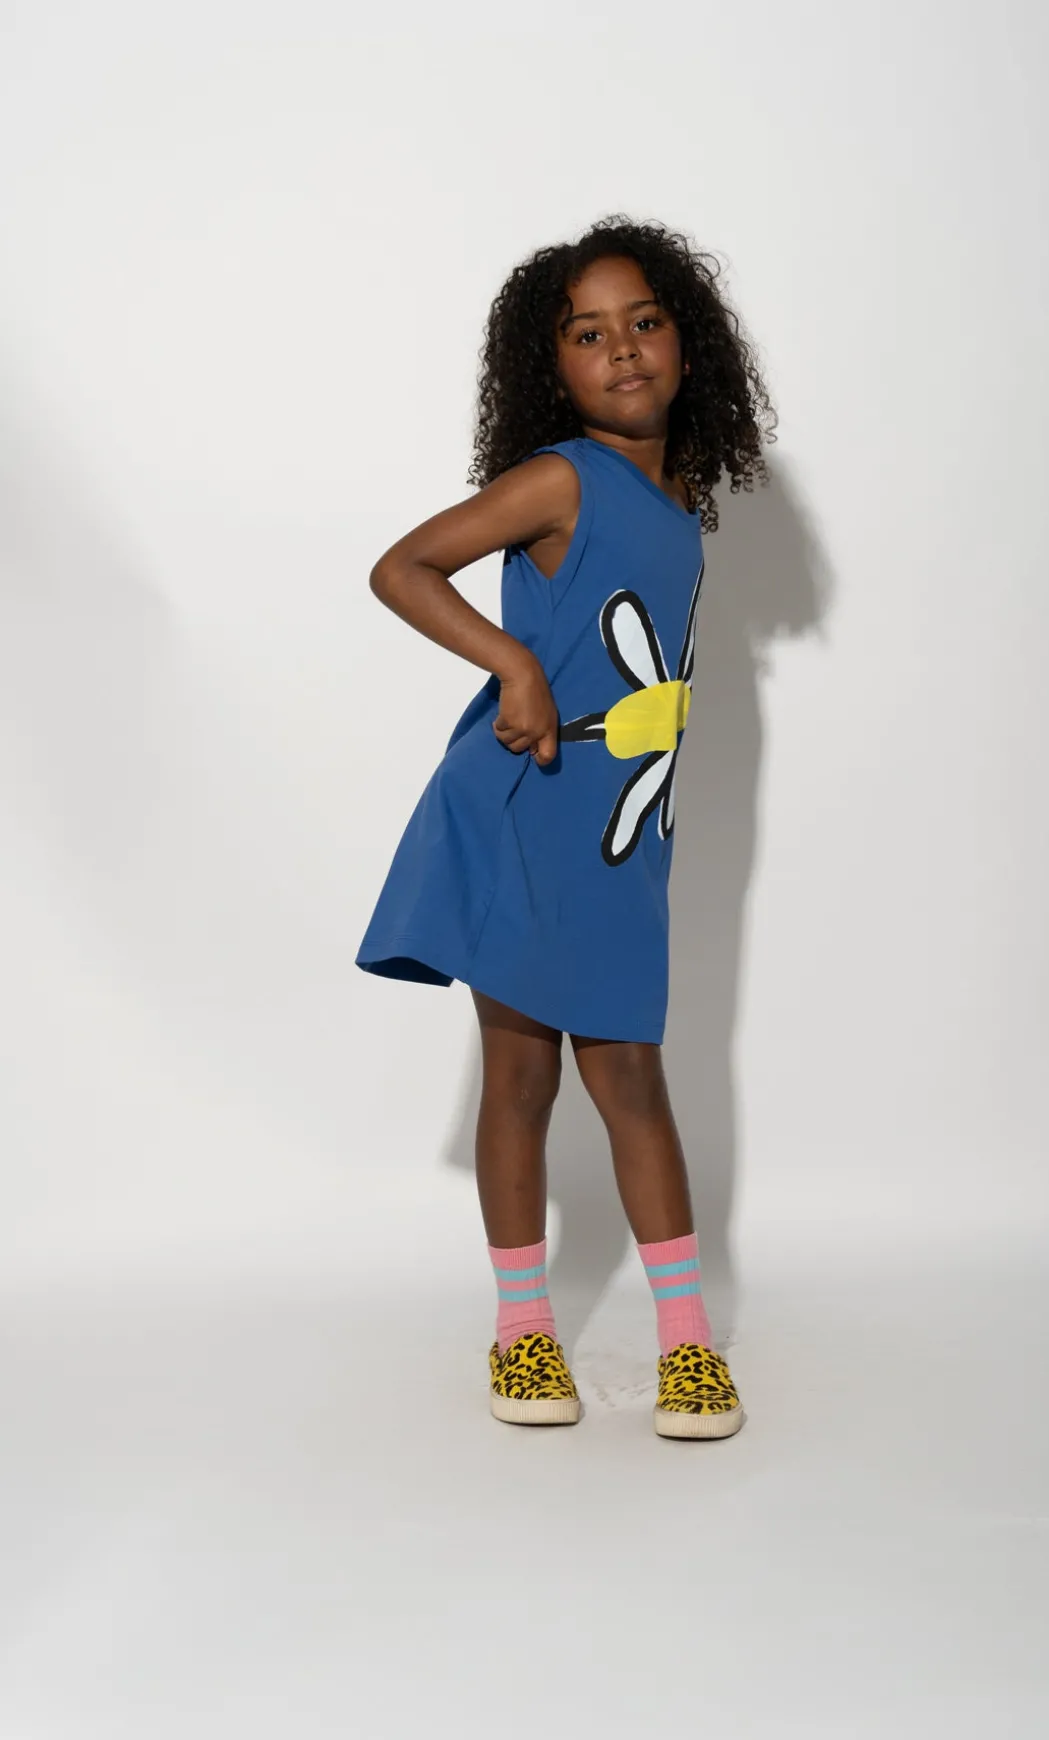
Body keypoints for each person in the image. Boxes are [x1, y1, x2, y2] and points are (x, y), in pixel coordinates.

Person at [356, 215, 776, 1439]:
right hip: (523, 805)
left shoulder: (677, 497)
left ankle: (686, 1344)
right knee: (525, 1070)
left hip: (619, 829)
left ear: (687, 344)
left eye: (642, 322)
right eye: (586, 334)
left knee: (631, 1070)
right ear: (551, 368)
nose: (622, 348)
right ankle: (521, 1332)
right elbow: (401, 567)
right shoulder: (559, 478)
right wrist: (513, 666)